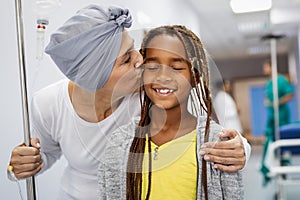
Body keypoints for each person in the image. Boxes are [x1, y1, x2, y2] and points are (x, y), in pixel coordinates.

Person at [8, 5, 249, 199]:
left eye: (134, 49)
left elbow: (207, 130)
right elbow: (46, 154)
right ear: (95, 79)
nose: (139, 60)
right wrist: (27, 162)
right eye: (126, 60)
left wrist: (241, 149)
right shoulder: (49, 104)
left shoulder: (152, 94)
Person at [98, 25, 244, 200]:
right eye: (152, 67)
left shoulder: (216, 144)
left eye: (176, 68)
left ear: (195, 76)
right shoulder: (119, 143)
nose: (163, 77)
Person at [260, 59, 294, 185]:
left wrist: (276, 102)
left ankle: (283, 166)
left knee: (281, 141)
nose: (264, 70)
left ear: (271, 67)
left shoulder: (281, 80)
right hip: (272, 115)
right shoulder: (269, 82)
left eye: (265, 67)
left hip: (281, 115)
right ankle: (271, 166)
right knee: (270, 140)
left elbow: (290, 95)